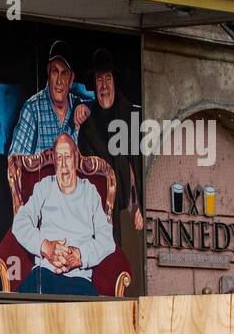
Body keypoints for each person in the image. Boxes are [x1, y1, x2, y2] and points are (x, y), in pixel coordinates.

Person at [75, 47, 144, 292]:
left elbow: (140, 164)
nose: (103, 85)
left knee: (128, 274)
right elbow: (81, 167)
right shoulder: (87, 121)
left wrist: (140, 207)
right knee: (102, 273)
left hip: (127, 210)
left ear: (115, 81)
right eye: (99, 80)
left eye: (108, 79)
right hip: (97, 212)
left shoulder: (131, 116)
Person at [11, 133, 115, 296]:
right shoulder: (44, 187)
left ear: (75, 158)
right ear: (54, 160)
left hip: (79, 277)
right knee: (16, 312)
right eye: (59, 158)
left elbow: (107, 240)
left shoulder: (90, 192)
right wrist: (46, 247)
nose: (64, 165)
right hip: (45, 273)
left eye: (67, 156)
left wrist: (81, 255)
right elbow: (19, 224)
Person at [8, 40, 90, 158]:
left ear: (71, 78)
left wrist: (86, 108)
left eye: (64, 73)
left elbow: (99, 109)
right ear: (48, 71)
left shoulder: (79, 106)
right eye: (55, 72)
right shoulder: (32, 109)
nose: (59, 81)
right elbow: (15, 165)